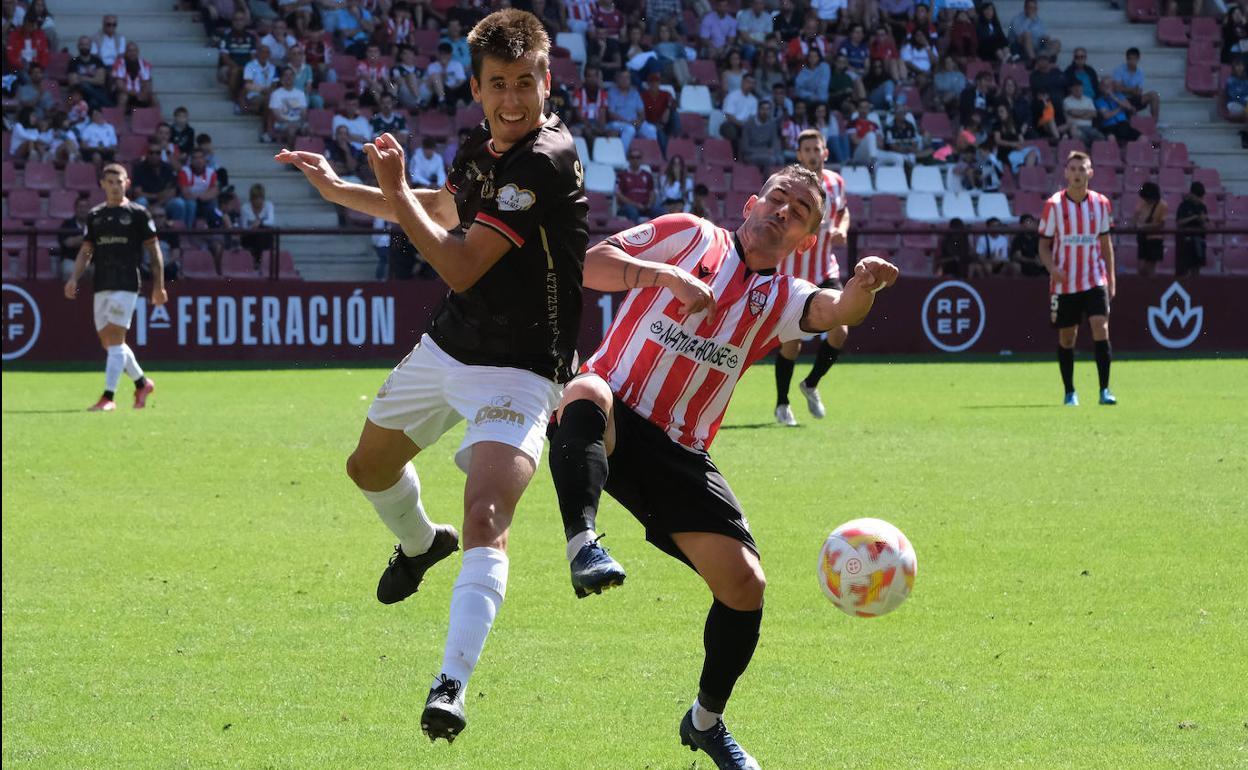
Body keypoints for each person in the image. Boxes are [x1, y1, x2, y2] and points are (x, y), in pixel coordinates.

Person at [275, 9, 588, 743]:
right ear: (476, 89)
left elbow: (459, 261)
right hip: (451, 345)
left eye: (525, 83)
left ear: (547, 81)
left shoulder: (547, 159)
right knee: (367, 468)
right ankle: (421, 544)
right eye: (498, 84)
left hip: (522, 369)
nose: (513, 99)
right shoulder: (480, 148)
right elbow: (445, 209)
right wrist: (343, 191)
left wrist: (393, 187)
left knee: (487, 515)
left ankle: (451, 683)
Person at [545, 166, 897, 770]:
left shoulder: (782, 298)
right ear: (752, 203)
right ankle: (583, 545)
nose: (783, 211)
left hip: (680, 452)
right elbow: (589, 264)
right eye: (777, 199)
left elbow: (839, 309)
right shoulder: (689, 234)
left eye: (799, 213)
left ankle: (705, 722)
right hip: (612, 412)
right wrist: (663, 275)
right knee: (584, 389)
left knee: (745, 586)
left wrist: (864, 285)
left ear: (805, 241)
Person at [63, 163, 166, 412]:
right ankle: (142, 383)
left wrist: (159, 286)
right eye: (110, 182)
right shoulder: (95, 216)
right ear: (102, 185)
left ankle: (108, 397)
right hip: (102, 283)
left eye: (119, 182)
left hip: (127, 282)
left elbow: (154, 251)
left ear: (127, 183)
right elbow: (86, 251)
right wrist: (74, 278)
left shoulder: (138, 213)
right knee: (108, 343)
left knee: (116, 338)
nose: (115, 187)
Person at [772, 129, 849, 427]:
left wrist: (842, 228)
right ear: (799, 155)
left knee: (840, 330)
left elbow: (843, 211)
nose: (813, 154)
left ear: (825, 152)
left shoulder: (835, 182)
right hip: (792, 275)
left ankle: (811, 383)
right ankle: (782, 403)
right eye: (807, 150)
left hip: (825, 270)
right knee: (791, 344)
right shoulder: (788, 185)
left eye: (817, 149)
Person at [1039, 151, 1116, 407]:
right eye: (1073, 169)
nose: (1077, 174)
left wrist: (1111, 278)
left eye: (1082, 169)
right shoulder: (1054, 205)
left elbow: (1105, 244)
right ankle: (1070, 391)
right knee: (1067, 337)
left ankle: (1104, 390)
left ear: (1090, 173)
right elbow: (1043, 246)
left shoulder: (1101, 203)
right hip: (1065, 282)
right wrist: (1052, 268)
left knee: (1100, 327)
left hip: (1094, 278)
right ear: (1065, 173)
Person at [1112, 47, 1161, 121]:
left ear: (1138, 59)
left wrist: (1125, 89)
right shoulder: (1119, 70)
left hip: (1134, 98)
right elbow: (1117, 88)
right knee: (1129, 106)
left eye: (1134, 59)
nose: (1132, 61)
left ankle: (1154, 121)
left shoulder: (1140, 72)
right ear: (1126, 59)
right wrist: (1132, 89)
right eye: (1129, 59)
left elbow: (1139, 92)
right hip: (1121, 99)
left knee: (1154, 95)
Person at [1175, 182, 1209, 278]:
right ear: (1192, 194)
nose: (1199, 199)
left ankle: (1196, 286)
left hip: (1199, 241)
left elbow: (1206, 225)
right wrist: (1194, 217)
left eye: (1201, 197)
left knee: (1196, 269)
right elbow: (1179, 222)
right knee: (1183, 270)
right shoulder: (1183, 206)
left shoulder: (1202, 207)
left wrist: (1203, 220)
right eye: (1197, 196)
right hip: (1185, 242)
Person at [1133, 182, 1167, 277]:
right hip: (1142, 238)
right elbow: (1135, 219)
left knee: (1151, 268)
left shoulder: (1162, 205)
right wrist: (1134, 224)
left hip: (1155, 239)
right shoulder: (1141, 203)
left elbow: (1161, 224)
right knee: (1141, 268)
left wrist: (1144, 226)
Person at [57, 195, 92, 281]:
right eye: (80, 207)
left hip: (90, 260)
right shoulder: (67, 224)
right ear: (75, 209)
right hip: (71, 260)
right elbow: (68, 243)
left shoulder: (94, 224)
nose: (83, 210)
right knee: (69, 271)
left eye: (85, 207)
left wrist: (77, 240)